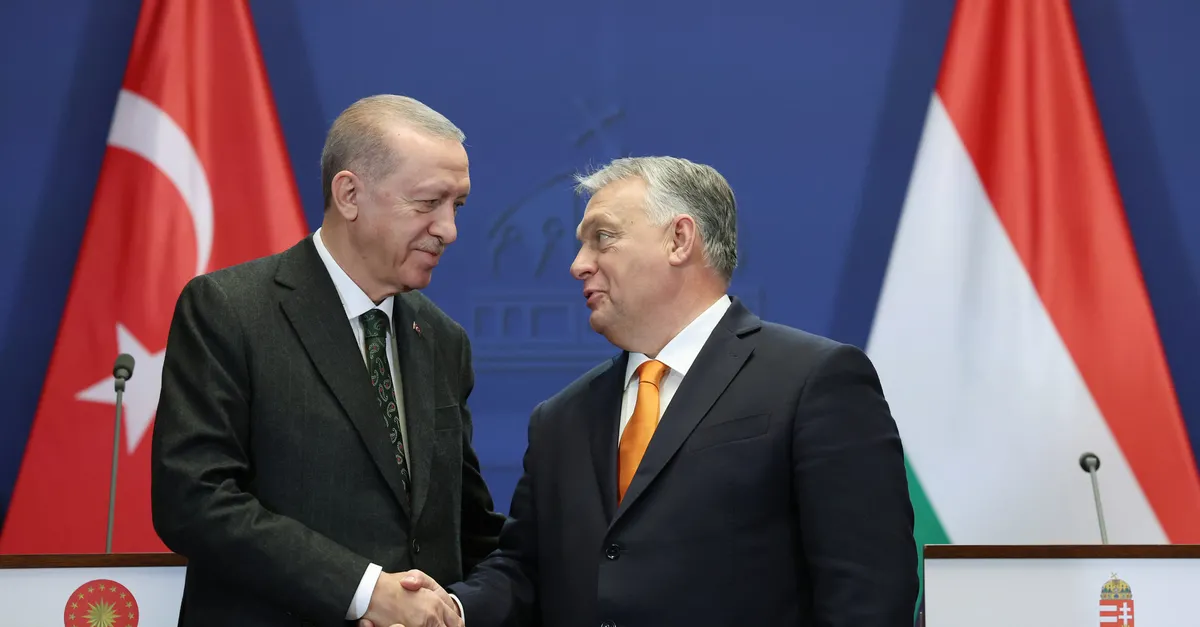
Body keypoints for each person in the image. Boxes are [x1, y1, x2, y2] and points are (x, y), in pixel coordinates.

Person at [387, 156, 919, 626]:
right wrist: (452, 612)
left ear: (679, 239)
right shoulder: (561, 419)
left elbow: (868, 593)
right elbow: (525, 571)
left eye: (602, 237)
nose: (578, 264)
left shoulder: (813, 380)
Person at [151, 94, 505, 627]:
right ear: (349, 194)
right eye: (429, 202)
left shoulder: (441, 338)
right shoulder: (231, 309)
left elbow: (467, 526)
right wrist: (363, 591)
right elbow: (193, 499)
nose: (448, 229)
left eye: (457, 206)